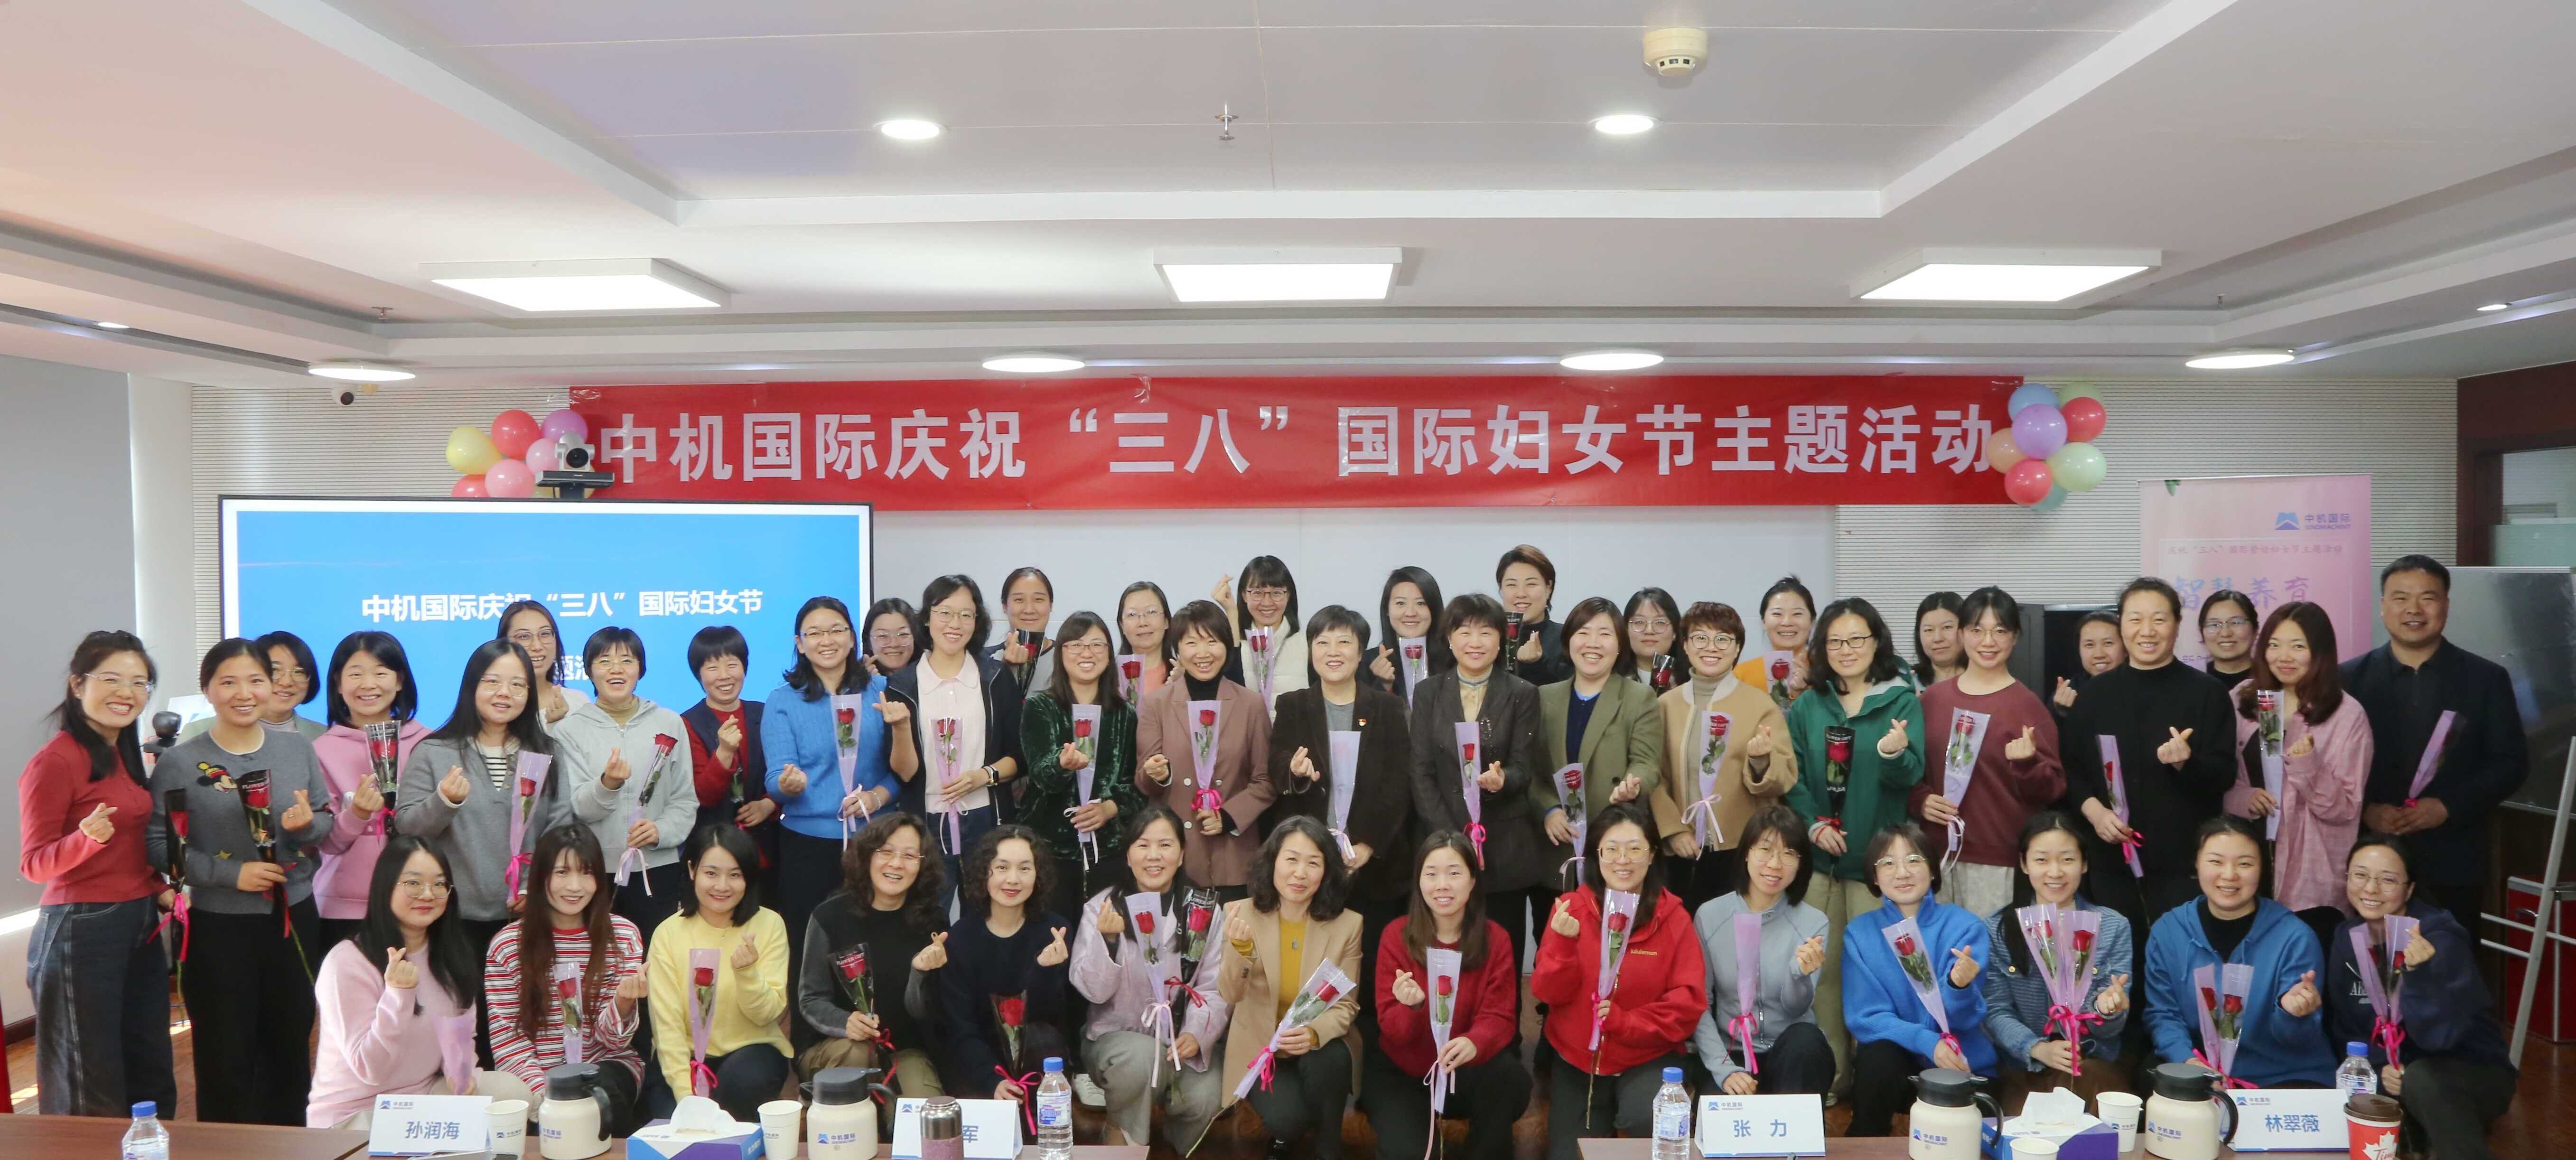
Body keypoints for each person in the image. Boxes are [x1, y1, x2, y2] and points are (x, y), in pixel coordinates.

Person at [151, 637, 336, 1124]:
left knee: (290, 1046)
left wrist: (306, 825)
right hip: (218, 925)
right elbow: (160, 845)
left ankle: (288, 1146)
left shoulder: (296, 748)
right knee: (224, 1054)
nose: (244, 693)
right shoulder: (181, 761)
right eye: (228, 682)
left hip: (294, 917)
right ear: (208, 690)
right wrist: (233, 874)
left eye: (255, 680)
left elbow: (323, 821)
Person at [19, 630, 177, 1117]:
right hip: (81, 930)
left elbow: (128, 844)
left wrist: (157, 888)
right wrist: (85, 838)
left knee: (150, 1069)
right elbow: (34, 863)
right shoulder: (56, 760)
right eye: (111, 679)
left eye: (139, 682)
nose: (126, 692)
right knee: (90, 1083)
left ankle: (151, 1148)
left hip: (140, 921)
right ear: (77, 684)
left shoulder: (123, 753)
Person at [1781, 596, 1925, 1096]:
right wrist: (1812, 825)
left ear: (1876, 642)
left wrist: (1893, 752)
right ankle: (1832, 1081)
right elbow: (1794, 776)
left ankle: (1878, 1085)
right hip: (1820, 860)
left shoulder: (1900, 701)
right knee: (1821, 973)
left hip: (1877, 866)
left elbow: (1910, 777)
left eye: (1857, 639)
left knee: (1879, 975)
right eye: (1835, 641)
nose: (1846, 650)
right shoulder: (1807, 705)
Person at [2344, 555, 2527, 941]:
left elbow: (2511, 763)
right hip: (2368, 861)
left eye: (2427, 598)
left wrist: (2447, 807)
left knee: (2449, 964)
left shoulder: (2486, 679)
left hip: (2452, 858)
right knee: (2365, 965)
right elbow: (2329, 767)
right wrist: (2367, 809)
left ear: (2446, 605)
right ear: (2383, 607)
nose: (2414, 609)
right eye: (2401, 598)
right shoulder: (2347, 681)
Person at [2062, 578, 2239, 946]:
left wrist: (2186, 764)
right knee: (2119, 964)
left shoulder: (2208, 694)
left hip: (2183, 865)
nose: (2147, 631)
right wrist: (2095, 813)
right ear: (2122, 625)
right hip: (2111, 861)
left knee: (2181, 961)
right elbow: (2072, 770)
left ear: (2177, 624)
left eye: (2159, 619)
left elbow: (2224, 776)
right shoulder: (2094, 695)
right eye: (2135, 619)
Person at [1531, 802, 1706, 1160]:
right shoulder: (1570, 908)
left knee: (1649, 1127)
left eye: (1635, 849)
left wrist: (1626, 1023)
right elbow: (1548, 993)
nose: (1622, 860)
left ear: (1653, 855)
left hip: (1647, 1057)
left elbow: (1688, 1004)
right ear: (1596, 855)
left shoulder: (1674, 918)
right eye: (1611, 849)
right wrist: (1563, 945)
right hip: (1578, 1061)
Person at [1264, 605, 1414, 1020]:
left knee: (1371, 969)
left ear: (1361, 652)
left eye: (1344, 642)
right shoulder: (1293, 705)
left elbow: (1399, 784)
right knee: (1312, 972)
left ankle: (1369, 1052)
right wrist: (1294, 772)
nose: (1333, 651)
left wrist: (1367, 846)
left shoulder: (1387, 709)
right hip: (1309, 865)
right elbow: (1276, 766)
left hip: (1373, 868)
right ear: (1311, 650)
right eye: (1323, 642)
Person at [2326, 834, 2515, 1160]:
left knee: (2422, 1079)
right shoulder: (2348, 938)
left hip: (2471, 1071)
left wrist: (2421, 975)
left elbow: (2442, 1038)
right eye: (2360, 875)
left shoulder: (2439, 939)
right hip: (2396, 1073)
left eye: (2387, 880)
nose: (2370, 889)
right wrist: (2380, 1067)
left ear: (2410, 889)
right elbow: (2347, 1028)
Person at [1361, 831, 1532, 1160]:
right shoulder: (1396, 936)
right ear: (1419, 882)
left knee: (1510, 1081)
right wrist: (1413, 1007)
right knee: (1406, 1152)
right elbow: (1393, 1031)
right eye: (1431, 874)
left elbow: (1500, 1016)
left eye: (1454, 873)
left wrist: (1474, 1042)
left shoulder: (1496, 939)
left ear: (1472, 881)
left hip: (1467, 1069)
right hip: (1405, 1074)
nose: (1443, 885)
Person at [762, 596, 905, 982]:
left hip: (875, 843)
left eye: (836, 630)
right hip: (807, 847)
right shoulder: (782, 701)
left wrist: (877, 796)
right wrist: (788, 785)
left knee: (878, 949)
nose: (826, 640)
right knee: (810, 953)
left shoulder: (883, 690)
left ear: (852, 638)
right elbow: (775, 779)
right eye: (814, 633)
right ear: (799, 643)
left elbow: (904, 770)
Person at [1071, 804, 1229, 1151]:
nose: (1154, 856)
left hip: (1179, 1044)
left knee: (1207, 1095)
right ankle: (1122, 1137)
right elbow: (1092, 991)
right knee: (1141, 1058)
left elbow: (1214, 986)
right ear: (1128, 856)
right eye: (1143, 845)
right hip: (1116, 1041)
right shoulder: (1103, 908)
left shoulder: (1203, 911)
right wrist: (1108, 941)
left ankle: (1175, 1146)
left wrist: (1196, 1032)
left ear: (1182, 854)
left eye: (1165, 845)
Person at [307, 836, 485, 1127]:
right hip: (355, 1115)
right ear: (386, 886)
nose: (428, 894)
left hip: (423, 1099)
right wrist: (398, 996)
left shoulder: (452, 956)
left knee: (510, 1092)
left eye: (439, 884)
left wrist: (461, 1074)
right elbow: (371, 1070)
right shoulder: (347, 963)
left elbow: (460, 1035)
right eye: (413, 883)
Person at [398, 639, 562, 953]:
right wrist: (443, 802)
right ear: (471, 686)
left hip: (528, 916)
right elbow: (407, 830)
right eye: (492, 682)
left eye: (518, 685)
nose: (505, 693)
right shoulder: (433, 752)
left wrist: (534, 886)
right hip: (450, 918)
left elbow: (559, 826)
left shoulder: (546, 752)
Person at [2142, 817, 2333, 1088]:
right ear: (2197, 863)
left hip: (2280, 1076)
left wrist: (2292, 1013)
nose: (2229, 875)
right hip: (2201, 1069)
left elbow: (2299, 1039)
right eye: (2216, 862)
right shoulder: (2168, 932)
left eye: (2244, 864)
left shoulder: (2295, 937)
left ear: (2262, 868)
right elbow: (2163, 1014)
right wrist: (2188, 1062)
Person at [1215, 817, 1363, 1160]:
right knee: (1288, 1120)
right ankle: (1289, 1132)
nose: (1300, 873)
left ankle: (1328, 1148)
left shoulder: (1348, 925)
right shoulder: (1239, 913)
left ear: (1326, 872)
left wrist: (1313, 1033)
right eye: (1292, 859)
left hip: (1317, 1047)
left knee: (1332, 1058)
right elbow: (1230, 994)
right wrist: (1239, 949)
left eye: (1313, 863)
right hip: (1262, 1049)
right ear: (1273, 862)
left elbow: (1346, 1006)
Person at [1910, 587, 2064, 917]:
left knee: (1989, 949)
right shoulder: (1932, 701)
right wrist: (1920, 799)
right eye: (1977, 630)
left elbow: (2053, 791)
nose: (1988, 642)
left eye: (2000, 631)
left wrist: (2027, 765)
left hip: (1997, 862)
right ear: (1962, 634)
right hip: (1934, 857)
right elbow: (1909, 772)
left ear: (2015, 637)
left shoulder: (2028, 707)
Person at [1409, 593, 1549, 957]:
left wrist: (1503, 781)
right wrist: (1453, 840)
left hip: (1504, 847)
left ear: (1501, 640)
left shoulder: (1523, 694)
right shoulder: (1428, 693)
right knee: (1446, 953)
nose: (1475, 642)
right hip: (1444, 850)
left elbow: (1524, 768)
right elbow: (1421, 772)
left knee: (1503, 952)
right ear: (1449, 638)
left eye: (1486, 632)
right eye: (1465, 632)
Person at [2224, 602, 2372, 938]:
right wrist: (2242, 798)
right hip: (2248, 859)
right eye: (2274, 645)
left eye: (2298, 646)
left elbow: (2345, 809)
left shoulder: (2346, 715)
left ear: (2320, 653)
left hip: (2310, 872)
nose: (2284, 657)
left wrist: (2309, 767)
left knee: (2304, 959)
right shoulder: (2248, 699)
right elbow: (2223, 777)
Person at [486, 825, 646, 1130]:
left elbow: (614, 1042)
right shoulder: (507, 945)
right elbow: (509, 1041)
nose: (575, 886)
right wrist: (548, 1096)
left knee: (597, 1091)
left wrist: (623, 1004)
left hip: (607, 1067)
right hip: (536, 1079)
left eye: (586, 873)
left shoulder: (622, 936)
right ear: (541, 877)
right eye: (562, 872)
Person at [1841, 822, 1996, 1136]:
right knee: (1876, 1055)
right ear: (1874, 876)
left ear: (1932, 869)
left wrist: (1959, 986)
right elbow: (1866, 1017)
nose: (1902, 872)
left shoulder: (1965, 927)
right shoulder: (1860, 933)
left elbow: (1965, 1019)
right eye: (1888, 863)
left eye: (1913, 860)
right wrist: (1926, 1041)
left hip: (1960, 1064)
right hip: (1897, 1067)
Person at [1652, 601, 1796, 913]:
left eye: (1723, 639)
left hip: (1743, 849)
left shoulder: (1761, 706)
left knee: (1736, 935)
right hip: (1680, 851)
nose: (1711, 647)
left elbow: (1784, 779)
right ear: (1685, 645)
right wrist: (1673, 830)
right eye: (1700, 638)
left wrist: (1761, 762)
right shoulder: (1665, 705)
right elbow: (1653, 775)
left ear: (1737, 648)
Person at [1979, 812, 2134, 1100]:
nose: (2055, 872)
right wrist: (2037, 1048)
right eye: (2042, 860)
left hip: (2091, 1064)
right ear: (2024, 864)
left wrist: (2107, 1010)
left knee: (2093, 1089)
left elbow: (2110, 1029)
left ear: (2084, 864)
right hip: (2023, 1067)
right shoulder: (1997, 929)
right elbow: (1995, 1010)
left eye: (2067, 859)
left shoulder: (2113, 926)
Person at [884, 575, 1027, 885]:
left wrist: (983, 776)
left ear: (977, 621)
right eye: (945, 613)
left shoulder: (996, 678)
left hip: (986, 817)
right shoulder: (902, 686)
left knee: (986, 907)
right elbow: (904, 775)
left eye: (966, 615)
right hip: (926, 821)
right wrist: (901, 728)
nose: (955, 624)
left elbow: (1020, 756)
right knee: (929, 910)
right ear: (927, 619)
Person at [559, 627, 700, 936]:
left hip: (657, 867)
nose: (616, 669)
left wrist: (661, 830)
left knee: (654, 955)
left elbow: (684, 798)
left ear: (640, 669)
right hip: (593, 869)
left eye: (627, 660)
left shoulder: (670, 723)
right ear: (589, 671)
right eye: (605, 661)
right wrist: (607, 784)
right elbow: (578, 807)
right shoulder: (570, 730)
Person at [798, 812, 950, 1095]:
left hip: (903, 1049)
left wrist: (920, 973)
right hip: (837, 1045)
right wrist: (844, 1023)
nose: (896, 864)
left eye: (909, 856)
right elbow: (811, 999)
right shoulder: (829, 916)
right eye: (886, 852)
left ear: (922, 865)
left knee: (919, 1111)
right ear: (867, 856)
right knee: (855, 1054)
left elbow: (926, 1013)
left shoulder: (932, 921)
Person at [648, 824, 792, 1123]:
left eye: (735, 875)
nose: (722, 886)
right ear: (692, 871)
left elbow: (767, 1014)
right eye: (711, 873)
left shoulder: (769, 925)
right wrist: (687, 1098)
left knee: (743, 1083)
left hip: (751, 1052)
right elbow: (666, 1024)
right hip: (685, 1059)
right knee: (674, 1119)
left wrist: (747, 973)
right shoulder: (667, 933)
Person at [1690, 805, 1833, 1096]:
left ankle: (1796, 1127)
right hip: (1731, 1051)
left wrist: (1799, 975)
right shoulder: (1710, 916)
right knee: (1719, 1114)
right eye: (1765, 850)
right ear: (1746, 853)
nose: (1775, 864)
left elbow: (1797, 1008)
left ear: (1801, 864)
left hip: (1790, 1052)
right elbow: (1699, 1003)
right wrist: (1723, 1068)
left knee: (1806, 1043)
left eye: (1789, 854)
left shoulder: (1813, 922)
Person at [1137, 599, 1275, 899]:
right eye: (1191, 643)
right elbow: (1144, 783)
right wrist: (1157, 775)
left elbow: (1266, 780)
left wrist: (1229, 816)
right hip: (1175, 857)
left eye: (1212, 642)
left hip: (1233, 856)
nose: (1203, 653)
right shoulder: (1156, 705)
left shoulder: (1251, 705)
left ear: (1226, 646)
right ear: (1177, 649)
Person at [1024, 610, 1147, 921]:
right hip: (1051, 850)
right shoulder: (1040, 707)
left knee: (1106, 935)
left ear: (1109, 653)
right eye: (1076, 645)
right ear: (1061, 652)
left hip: (1108, 850)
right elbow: (1038, 775)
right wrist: (1062, 764)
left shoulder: (1125, 714)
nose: (1087, 653)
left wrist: (1110, 808)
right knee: (1055, 935)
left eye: (1097, 645)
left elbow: (1135, 785)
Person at [1539, 596, 1664, 901]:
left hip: (1614, 847)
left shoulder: (1639, 697)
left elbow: (1647, 763)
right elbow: (1530, 770)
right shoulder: (1543, 697)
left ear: (1620, 645)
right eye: (1583, 632)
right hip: (1556, 847)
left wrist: (1633, 785)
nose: (1593, 643)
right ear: (1569, 641)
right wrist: (1548, 809)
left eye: (1605, 634)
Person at [940, 825, 1073, 1108]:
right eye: (1002, 867)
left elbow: (1053, 1020)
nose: (1013, 879)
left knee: (1043, 1041)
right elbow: (960, 1026)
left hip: (1039, 1057)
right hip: (978, 1060)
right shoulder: (960, 938)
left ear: (1038, 875)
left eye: (1025, 869)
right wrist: (991, 1080)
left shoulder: (1055, 932)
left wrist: (1044, 971)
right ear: (984, 872)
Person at [311, 631, 428, 948]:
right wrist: (357, 814)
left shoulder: (429, 743)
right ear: (338, 683)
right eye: (355, 674)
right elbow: (327, 842)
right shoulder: (319, 750)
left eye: (380, 673)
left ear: (400, 680)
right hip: (344, 908)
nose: (368, 684)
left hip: (420, 902)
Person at [682, 626, 778, 876]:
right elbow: (704, 796)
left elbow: (785, 769)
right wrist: (724, 752)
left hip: (767, 850)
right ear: (698, 674)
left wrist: (770, 804)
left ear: (744, 667)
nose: (724, 676)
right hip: (713, 853)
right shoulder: (687, 723)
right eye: (712, 668)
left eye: (732, 665)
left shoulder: (765, 714)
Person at [179, 630, 327, 741]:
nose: (287, 682)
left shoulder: (322, 737)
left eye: (299, 672)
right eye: (275, 670)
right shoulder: (198, 732)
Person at [1221, 556, 1310, 715]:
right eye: (1257, 593)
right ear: (1244, 595)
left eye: (1276, 593)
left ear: (1288, 595)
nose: (1267, 603)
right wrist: (1231, 613)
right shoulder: (1235, 647)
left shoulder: (1307, 644)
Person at [498, 599, 588, 730]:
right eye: (524, 637)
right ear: (504, 643)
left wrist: (559, 727)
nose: (537, 646)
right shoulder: (496, 704)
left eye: (545, 634)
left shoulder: (578, 702)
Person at [1365, 565, 1449, 706]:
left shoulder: (1453, 660)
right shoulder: (1367, 663)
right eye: (1401, 603)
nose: (1410, 613)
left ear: (1434, 609)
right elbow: (1362, 717)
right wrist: (1383, 686)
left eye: (1421, 603)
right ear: (1387, 610)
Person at [1734, 576, 1817, 709]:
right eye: (1777, 614)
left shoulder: (1828, 673)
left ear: (1812, 621)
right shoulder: (1741, 675)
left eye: (1797, 614)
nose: (1787, 622)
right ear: (1764, 622)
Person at [1496, 544, 1574, 685]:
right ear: (1501, 590)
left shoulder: (1567, 639)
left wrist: (1537, 664)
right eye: (1512, 585)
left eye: (1531, 584)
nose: (1521, 594)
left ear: (1549, 588)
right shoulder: (1490, 638)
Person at [989, 566, 1059, 693]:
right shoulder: (986, 659)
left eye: (1038, 600)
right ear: (1005, 606)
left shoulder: (1067, 659)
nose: (1029, 610)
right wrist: (1006, 668)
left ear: (1050, 605)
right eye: (1019, 600)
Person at [2050, 611, 2126, 718]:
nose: (2099, 655)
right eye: (2089, 645)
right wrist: (2061, 712)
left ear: (2126, 648)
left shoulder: (2142, 688)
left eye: (2108, 643)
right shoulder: (2071, 690)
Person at [1118, 581, 1177, 697]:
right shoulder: (1108, 678)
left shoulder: (1180, 675)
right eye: (1132, 615)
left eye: (1151, 612)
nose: (1143, 622)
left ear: (1166, 621)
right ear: (1122, 626)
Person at [1621, 587, 1685, 693]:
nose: (1649, 631)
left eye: (1660, 623)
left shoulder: (1690, 683)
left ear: (1675, 632)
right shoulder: (1610, 681)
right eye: (1639, 622)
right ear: (1626, 629)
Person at [2199, 589, 2260, 681]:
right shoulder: (2193, 685)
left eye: (2236, 623)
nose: (2225, 633)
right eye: (2214, 625)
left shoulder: (2274, 683)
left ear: (2255, 630)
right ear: (2202, 633)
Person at [1911, 591, 1967, 688]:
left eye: (1947, 627)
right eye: (1929, 630)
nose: (1938, 638)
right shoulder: (1909, 682)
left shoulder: (1986, 681)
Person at [861, 597, 924, 680]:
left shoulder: (930, 677)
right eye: (883, 636)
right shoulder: (854, 682)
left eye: (903, 634)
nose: (894, 644)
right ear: (869, 641)